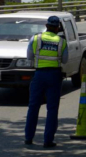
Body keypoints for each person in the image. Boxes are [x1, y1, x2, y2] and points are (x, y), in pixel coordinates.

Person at [25, 16, 68, 148]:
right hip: (54, 76)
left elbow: (29, 57)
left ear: (46, 25)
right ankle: (48, 140)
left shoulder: (36, 38)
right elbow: (65, 60)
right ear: (58, 28)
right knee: (52, 109)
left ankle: (28, 138)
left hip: (39, 75)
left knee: (33, 107)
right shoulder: (61, 42)